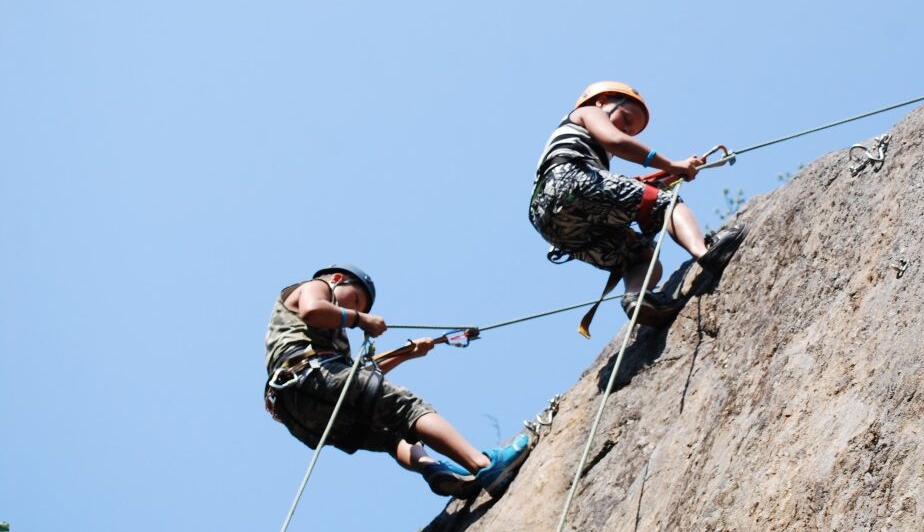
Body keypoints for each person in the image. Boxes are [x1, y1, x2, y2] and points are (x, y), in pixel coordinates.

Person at [264, 264, 529, 498]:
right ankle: (483, 466)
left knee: (393, 435)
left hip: (303, 412)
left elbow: (362, 378)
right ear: (336, 278)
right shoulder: (316, 287)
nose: (353, 309)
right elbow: (313, 310)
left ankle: (433, 469)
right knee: (409, 408)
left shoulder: (332, 335)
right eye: (355, 299)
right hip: (310, 377)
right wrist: (360, 319)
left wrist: (407, 353)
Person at [528, 81, 746, 326]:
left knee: (641, 255)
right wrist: (671, 164)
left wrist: (666, 177)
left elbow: (613, 195)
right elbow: (615, 141)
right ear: (602, 101)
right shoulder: (588, 112)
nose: (627, 131)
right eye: (627, 119)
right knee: (666, 204)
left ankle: (638, 299)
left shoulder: (584, 150)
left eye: (632, 131)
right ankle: (705, 253)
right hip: (568, 182)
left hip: (552, 221)